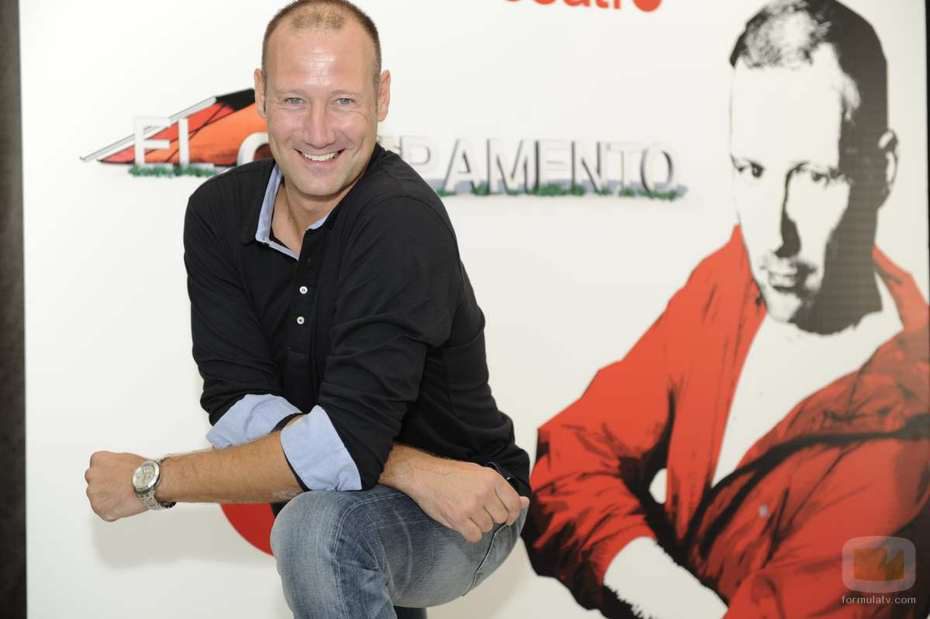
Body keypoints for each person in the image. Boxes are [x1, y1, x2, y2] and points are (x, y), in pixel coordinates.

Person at [84, 1, 530, 617]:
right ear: (261, 94)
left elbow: (342, 448)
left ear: (381, 96)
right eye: (295, 99)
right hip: (385, 488)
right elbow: (237, 405)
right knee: (328, 518)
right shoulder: (218, 214)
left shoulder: (399, 220)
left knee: (319, 529)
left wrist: (153, 481)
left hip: (468, 506)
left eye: (343, 101)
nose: (319, 132)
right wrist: (406, 468)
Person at [522, 1, 929, 617]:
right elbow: (568, 465)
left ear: (882, 170)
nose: (775, 234)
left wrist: (634, 563)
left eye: (814, 176)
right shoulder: (736, 276)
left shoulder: (906, 437)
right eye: (752, 169)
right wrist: (666, 591)